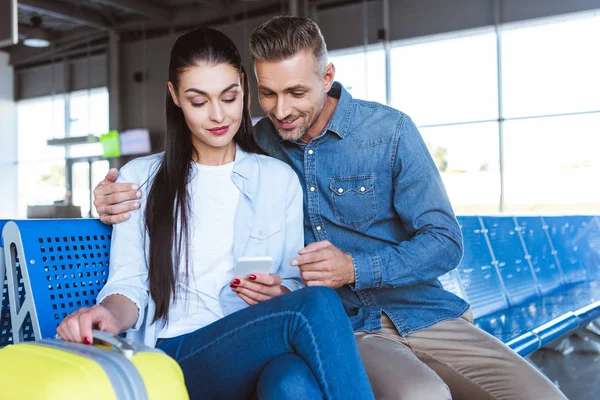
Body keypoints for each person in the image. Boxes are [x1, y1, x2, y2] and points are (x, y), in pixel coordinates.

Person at [93, 16, 567, 400]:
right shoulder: (250, 148)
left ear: (327, 78)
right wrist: (107, 202)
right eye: (269, 94)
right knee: (415, 390)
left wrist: (344, 271)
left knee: (292, 383)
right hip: (336, 326)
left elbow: (444, 243)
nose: (280, 111)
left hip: (418, 310)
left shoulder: (382, 134)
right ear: (177, 98)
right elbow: (134, 275)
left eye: (296, 93)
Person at [57, 26, 374, 400]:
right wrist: (108, 314)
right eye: (199, 101)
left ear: (244, 86)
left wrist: (277, 292)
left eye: (229, 97)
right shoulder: (140, 179)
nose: (218, 115)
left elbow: (291, 284)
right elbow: (129, 285)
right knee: (320, 303)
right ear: (175, 96)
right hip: (176, 353)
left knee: (290, 381)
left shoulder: (278, 179)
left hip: (252, 342)